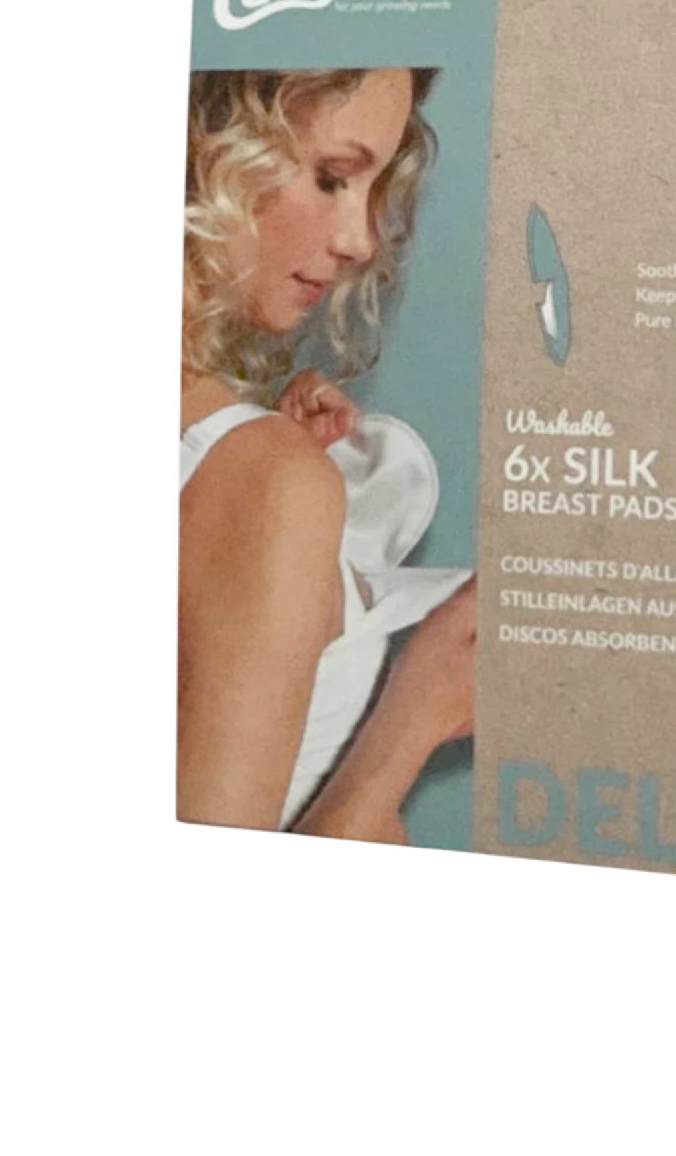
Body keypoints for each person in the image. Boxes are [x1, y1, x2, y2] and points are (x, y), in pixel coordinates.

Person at [178, 67, 477, 842]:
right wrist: (412, 719)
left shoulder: (244, 466)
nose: (359, 240)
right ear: (206, 140)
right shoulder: (263, 478)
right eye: (331, 177)